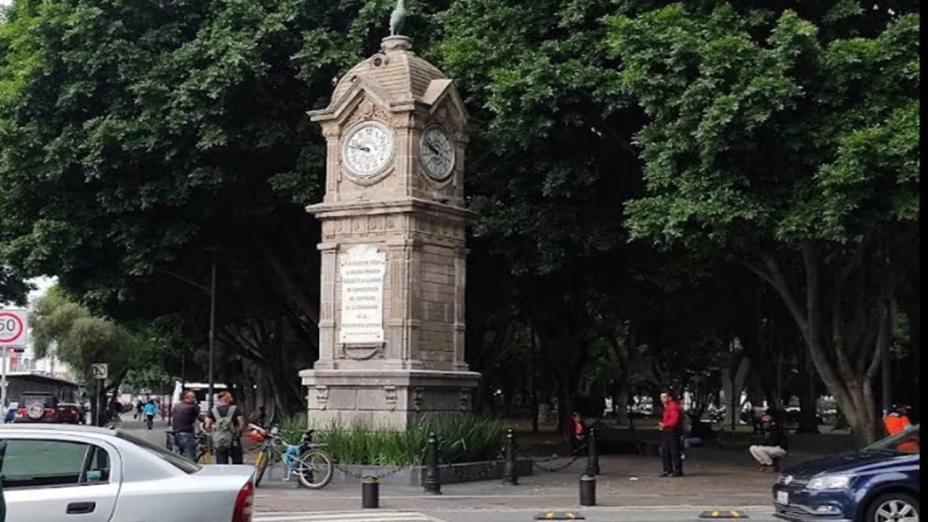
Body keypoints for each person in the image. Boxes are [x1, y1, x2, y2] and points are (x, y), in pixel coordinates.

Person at [206, 391, 245, 465]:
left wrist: (213, 434)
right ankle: (237, 475)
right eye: (230, 397)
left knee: (221, 461)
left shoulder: (213, 411)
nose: (231, 398)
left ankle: (223, 475)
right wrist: (239, 433)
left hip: (220, 440)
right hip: (234, 439)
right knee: (237, 461)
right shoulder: (235, 409)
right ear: (226, 398)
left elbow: (207, 425)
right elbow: (241, 424)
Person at [658, 390, 684, 477]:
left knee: (674, 450)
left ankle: (677, 470)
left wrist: (665, 424)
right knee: (665, 450)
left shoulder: (673, 407)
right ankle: (667, 469)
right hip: (667, 430)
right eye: (661, 397)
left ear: (670, 398)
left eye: (664, 397)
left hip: (673, 431)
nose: (662, 399)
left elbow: (675, 421)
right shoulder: (667, 407)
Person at [171, 390, 202, 461]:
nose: (195, 399)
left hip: (175, 433)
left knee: (178, 456)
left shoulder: (176, 406)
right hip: (187, 434)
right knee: (190, 457)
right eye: (193, 397)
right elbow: (200, 417)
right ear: (187, 398)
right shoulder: (192, 407)